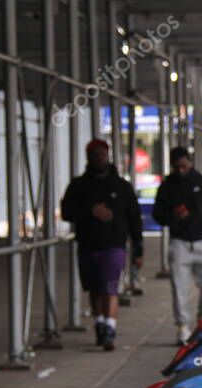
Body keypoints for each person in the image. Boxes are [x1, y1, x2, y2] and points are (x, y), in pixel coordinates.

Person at [60, 139, 143, 351]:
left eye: (103, 155)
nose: (100, 158)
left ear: (108, 156)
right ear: (89, 158)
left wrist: (138, 247)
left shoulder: (122, 187)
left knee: (110, 287)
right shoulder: (78, 186)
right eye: (95, 155)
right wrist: (90, 212)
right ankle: (99, 322)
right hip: (88, 246)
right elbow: (67, 212)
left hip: (113, 245)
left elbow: (134, 218)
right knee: (95, 290)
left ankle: (110, 327)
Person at [152, 146, 202, 345]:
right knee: (179, 288)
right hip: (180, 243)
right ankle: (183, 327)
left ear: (189, 162)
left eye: (183, 166)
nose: (181, 170)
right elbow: (157, 214)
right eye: (177, 167)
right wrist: (173, 216)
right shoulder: (167, 186)